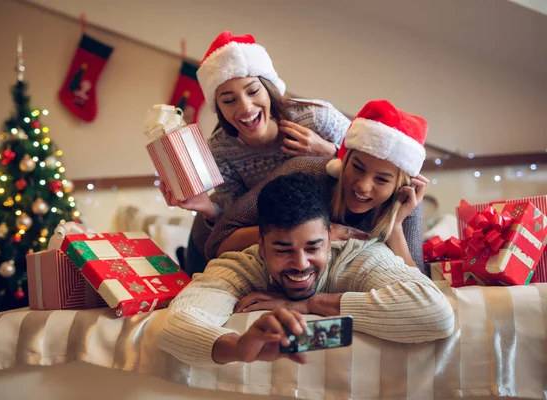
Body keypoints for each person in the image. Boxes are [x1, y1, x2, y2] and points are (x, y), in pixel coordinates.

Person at [157, 173, 454, 366]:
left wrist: (305, 303)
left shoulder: (360, 255)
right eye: (283, 250)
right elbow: (177, 324)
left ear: (331, 239)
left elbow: (435, 313)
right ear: (261, 247)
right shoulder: (242, 263)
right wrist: (237, 347)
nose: (300, 264)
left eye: (313, 248)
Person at [159, 31, 351, 276]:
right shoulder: (221, 149)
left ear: (269, 89)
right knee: (201, 228)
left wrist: (328, 151)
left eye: (252, 92)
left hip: (325, 219)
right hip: (265, 230)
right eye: (229, 100)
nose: (245, 107)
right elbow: (232, 219)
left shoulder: (316, 118)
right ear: (219, 109)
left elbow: (365, 165)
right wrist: (206, 208)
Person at [205, 99, 430, 273]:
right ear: (344, 158)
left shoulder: (405, 203)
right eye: (357, 167)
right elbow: (218, 242)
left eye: (382, 180)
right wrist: (318, 234)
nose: (363, 186)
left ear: (400, 185)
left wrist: (396, 225)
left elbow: (419, 288)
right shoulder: (305, 171)